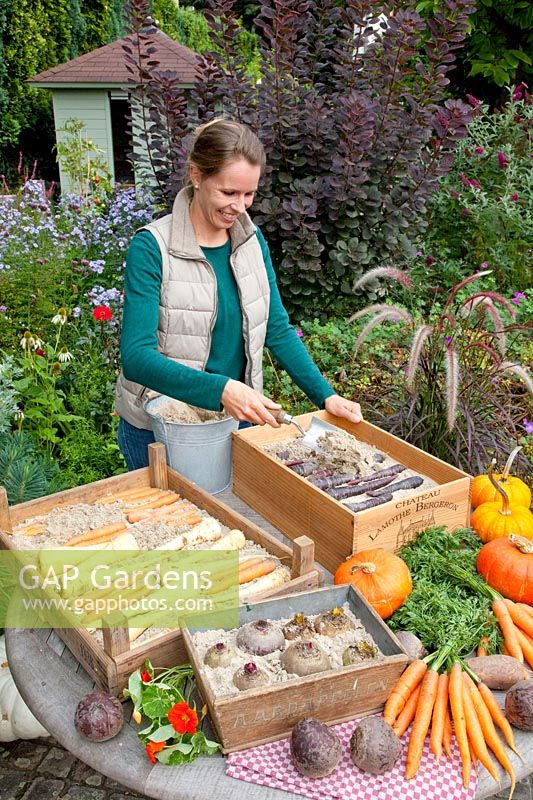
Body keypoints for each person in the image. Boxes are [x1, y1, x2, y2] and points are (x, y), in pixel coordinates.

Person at [115, 118, 363, 471]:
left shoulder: (250, 241)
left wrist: (325, 395)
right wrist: (222, 391)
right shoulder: (152, 247)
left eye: (249, 194)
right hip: (160, 431)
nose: (240, 206)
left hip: (236, 421)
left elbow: (275, 328)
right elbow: (136, 358)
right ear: (197, 175)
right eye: (228, 193)